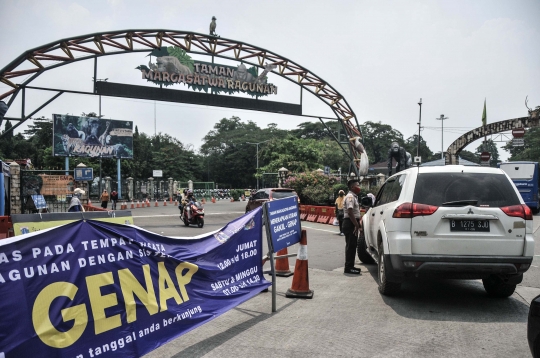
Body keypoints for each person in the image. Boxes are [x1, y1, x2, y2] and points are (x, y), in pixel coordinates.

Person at [342, 178, 363, 275]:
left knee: (352, 245)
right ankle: (348, 267)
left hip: (351, 222)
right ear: (352, 187)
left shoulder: (354, 196)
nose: (359, 187)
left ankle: (350, 266)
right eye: (357, 185)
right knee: (351, 246)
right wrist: (356, 225)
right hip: (350, 223)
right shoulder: (350, 196)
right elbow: (350, 212)